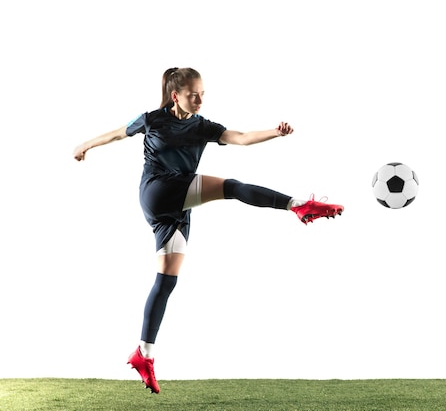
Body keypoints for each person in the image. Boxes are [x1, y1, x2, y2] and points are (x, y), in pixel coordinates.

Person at [73, 67, 343, 393]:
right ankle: (299, 205)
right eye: (192, 94)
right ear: (176, 96)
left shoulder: (203, 126)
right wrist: (85, 144)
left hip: (177, 207)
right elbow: (117, 133)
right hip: (158, 191)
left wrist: (275, 131)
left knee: (166, 281)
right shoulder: (152, 119)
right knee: (231, 187)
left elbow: (240, 138)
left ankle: (144, 353)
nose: (199, 99)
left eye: (202, 93)